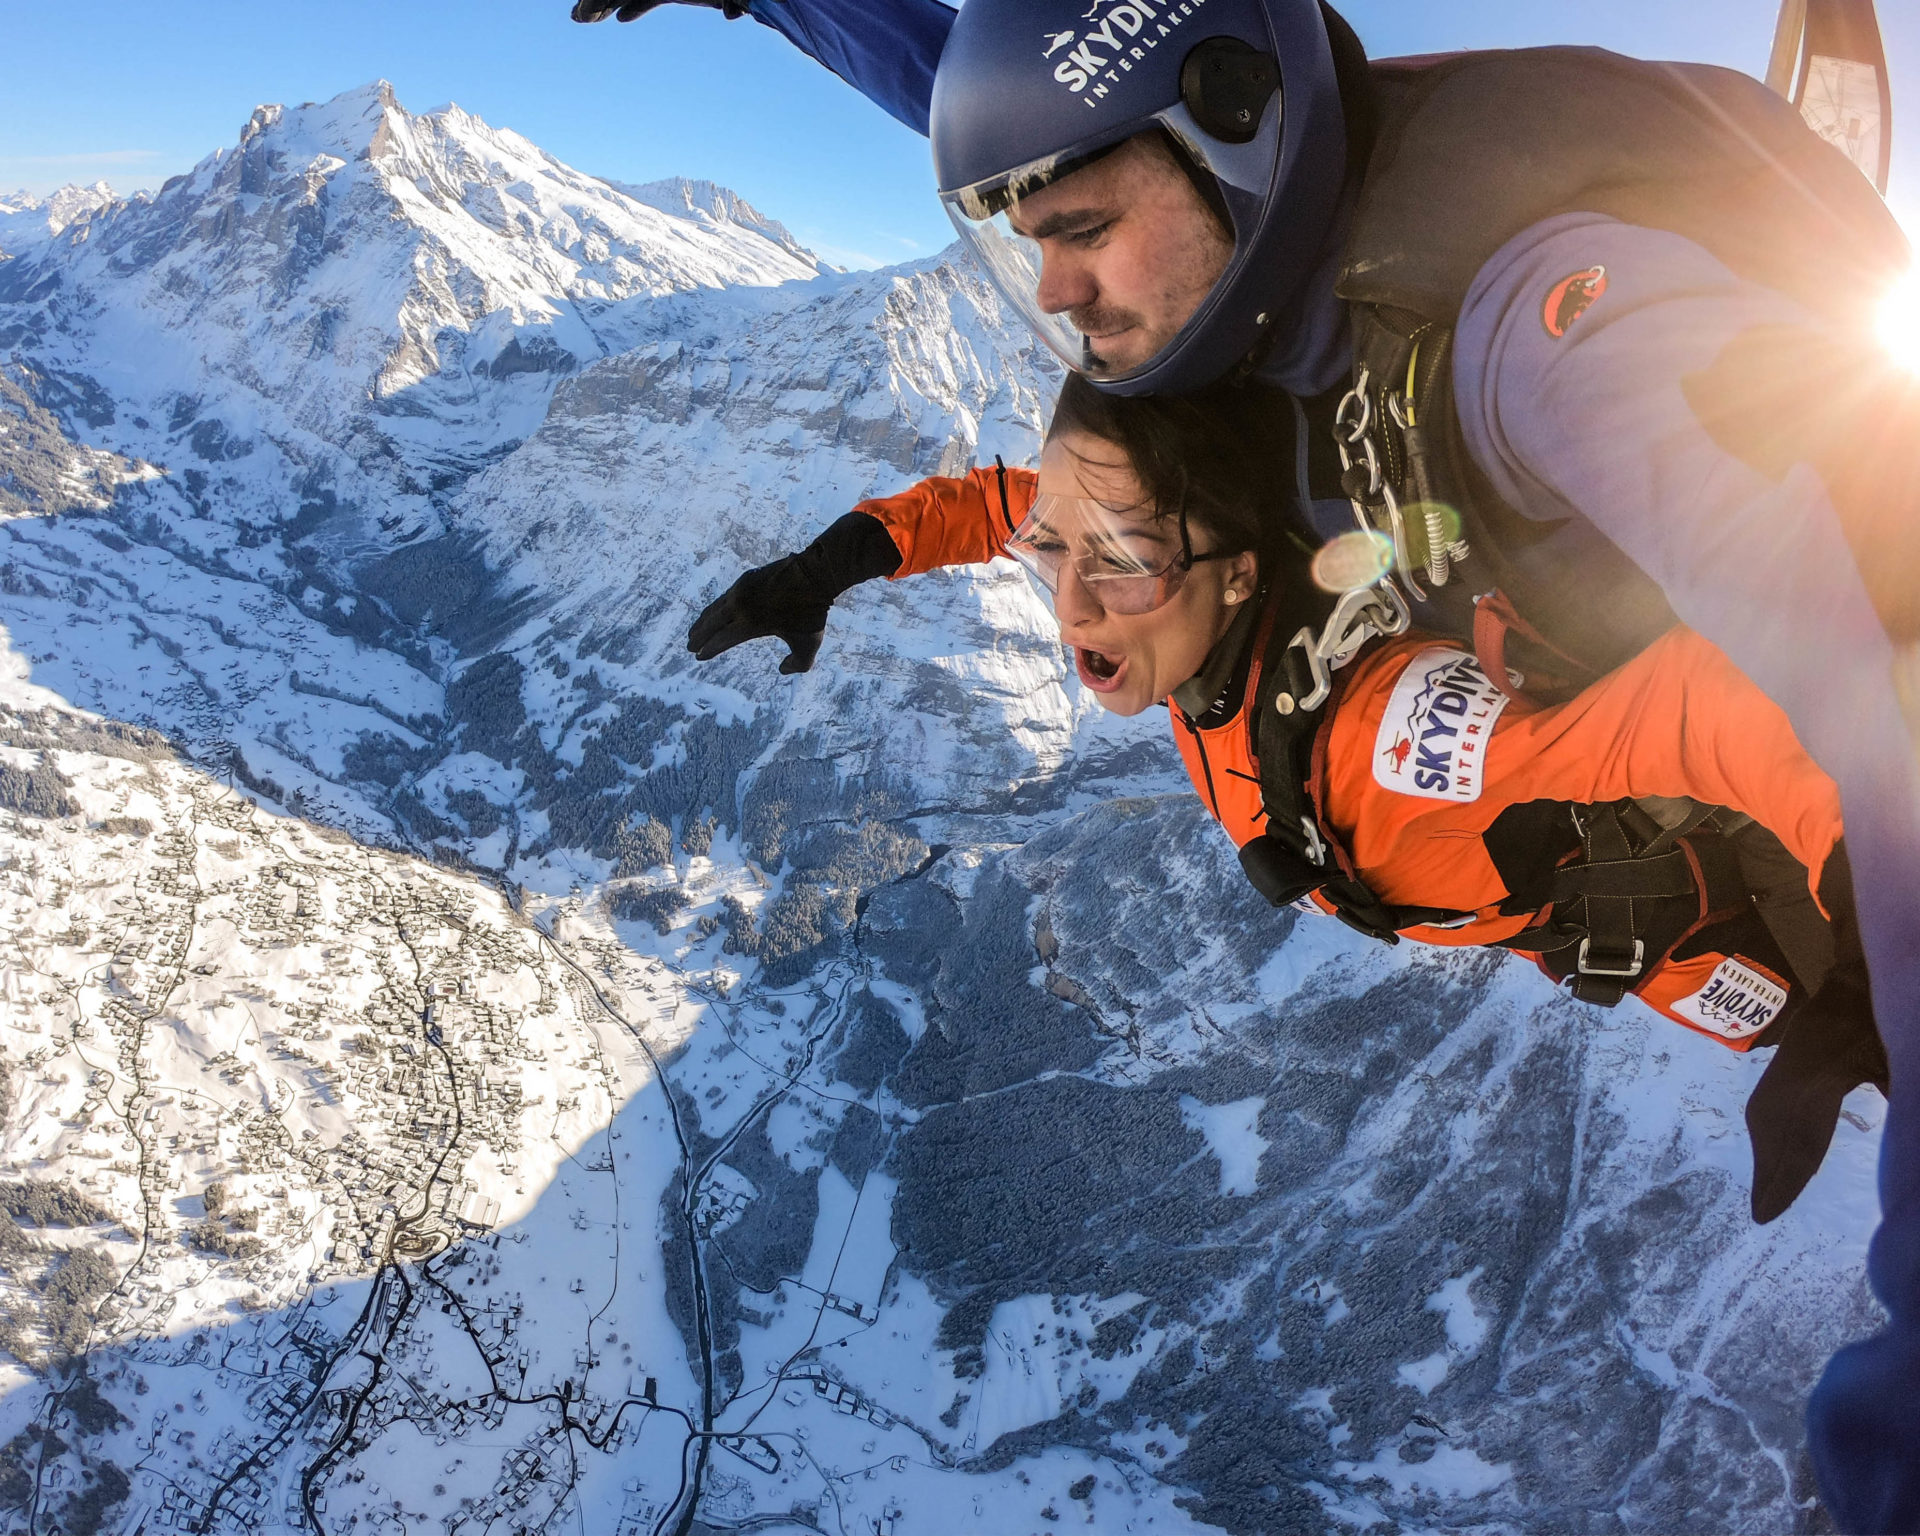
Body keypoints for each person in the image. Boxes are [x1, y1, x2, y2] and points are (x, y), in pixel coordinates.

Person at [604, 0, 1920, 1522]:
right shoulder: (1202, 333)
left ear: (1234, 128)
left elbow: (1837, 680)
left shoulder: (1536, 353)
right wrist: (843, 555)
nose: (1053, 285)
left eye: (1080, 226)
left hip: (1798, 903)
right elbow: (1008, 243)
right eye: (1027, 238)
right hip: (1677, 930)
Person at [689, 370, 1890, 1225]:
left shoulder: (1387, 732)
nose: (1070, 606)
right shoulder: (1175, 599)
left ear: (1240, 571)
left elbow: (1723, 708)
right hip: (1595, 925)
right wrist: (838, 560)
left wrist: (1874, 956)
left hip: (1759, 926)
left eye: (1119, 559)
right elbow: (999, 504)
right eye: (1062, 551)